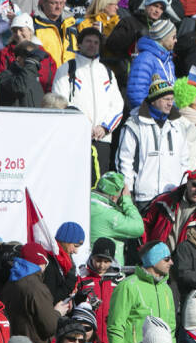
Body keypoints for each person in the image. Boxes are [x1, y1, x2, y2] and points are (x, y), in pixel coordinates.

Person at [52, 27, 124, 174]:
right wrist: (82, 127)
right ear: (79, 44)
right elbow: (60, 103)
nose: (92, 45)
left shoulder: (107, 72)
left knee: (98, 188)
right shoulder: (67, 69)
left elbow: (117, 105)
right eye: (88, 41)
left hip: (102, 139)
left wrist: (105, 127)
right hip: (76, 139)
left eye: (96, 42)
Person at [116, 76, 189, 208]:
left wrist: (183, 188)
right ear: (154, 100)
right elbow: (125, 160)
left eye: (172, 99)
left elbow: (184, 160)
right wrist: (127, 189)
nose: (170, 103)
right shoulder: (135, 124)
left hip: (173, 194)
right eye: (166, 99)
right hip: (143, 197)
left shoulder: (178, 124)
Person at [1, 243, 70, 343]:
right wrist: (57, 312)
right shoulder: (36, 287)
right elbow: (49, 327)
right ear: (41, 262)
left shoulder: (10, 283)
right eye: (46, 263)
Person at [107, 241, 177, 343]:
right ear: (153, 260)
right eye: (167, 259)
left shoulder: (166, 289)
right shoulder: (128, 286)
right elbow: (116, 327)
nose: (172, 262)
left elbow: (171, 331)